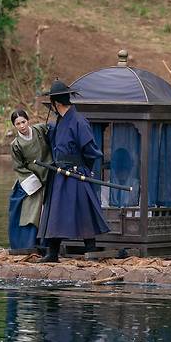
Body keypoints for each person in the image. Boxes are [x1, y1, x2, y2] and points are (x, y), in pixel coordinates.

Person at [40, 80, 110, 262]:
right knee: (56, 211)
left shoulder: (79, 121)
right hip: (59, 173)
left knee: (83, 210)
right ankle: (52, 252)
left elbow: (91, 151)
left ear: (56, 103)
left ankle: (91, 250)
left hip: (76, 173)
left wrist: (84, 169)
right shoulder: (59, 121)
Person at [8, 109, 53, 252]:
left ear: (28, 121)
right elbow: (18, 167)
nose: (22, 126)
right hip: (32, 178)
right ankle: (27, 244)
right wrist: (34, 182)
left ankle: (49, 244)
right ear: (14, 126)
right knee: (30, 210)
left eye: (23, 122)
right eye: (18, 124)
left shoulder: (40, 130)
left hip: (50, 173)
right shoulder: (15, 144)